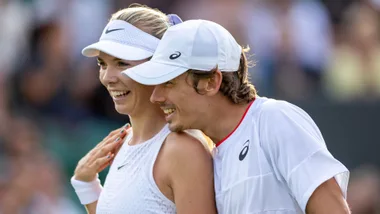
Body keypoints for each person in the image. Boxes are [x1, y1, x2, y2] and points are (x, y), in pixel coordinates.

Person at [123, 19, 351, 213]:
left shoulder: (275, 119)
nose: (156, 97)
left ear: (211, 82)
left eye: (168, 83)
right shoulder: (212, 158)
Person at [70, 6, 217, 214]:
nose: (108, 77)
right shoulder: (123, 143)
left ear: (159, 66)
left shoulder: (183, 150)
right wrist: (86, 185)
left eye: (122, 63)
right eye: (102, 64)